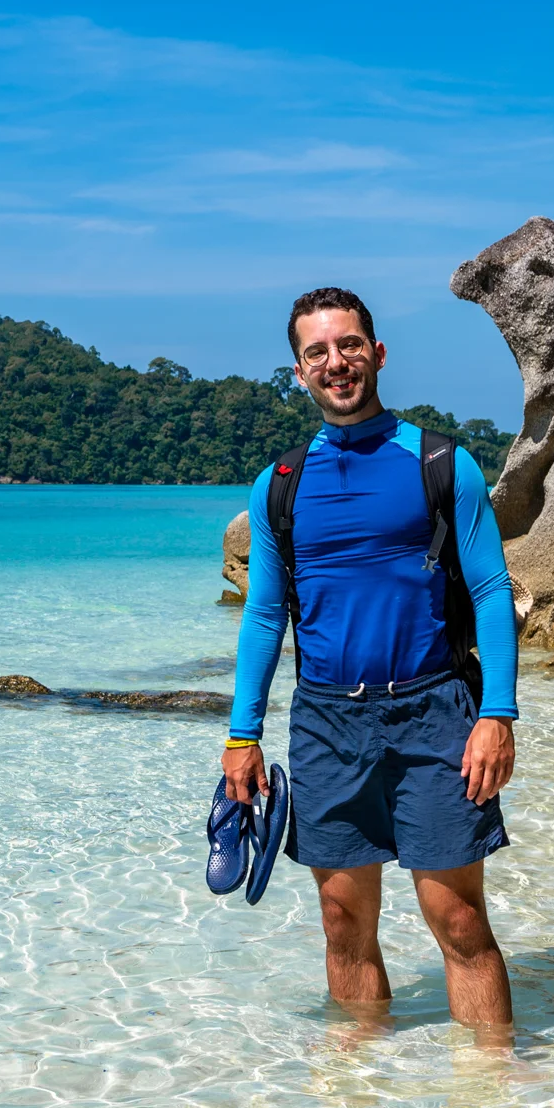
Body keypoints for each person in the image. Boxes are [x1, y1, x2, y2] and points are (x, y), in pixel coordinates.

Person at [223, 285, 520, 1032]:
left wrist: (497, 713)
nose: (336, 361)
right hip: (327, 721)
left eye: (349, 344)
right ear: (299, 371)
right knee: (339, 920)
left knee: (456, 920)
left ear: (377, 352)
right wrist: (241, 733)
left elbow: (489, 590)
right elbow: (264, 616)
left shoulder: (440, 462)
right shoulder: (280, 486)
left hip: (434, 712)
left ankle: (487, 1102)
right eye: (317, 351)